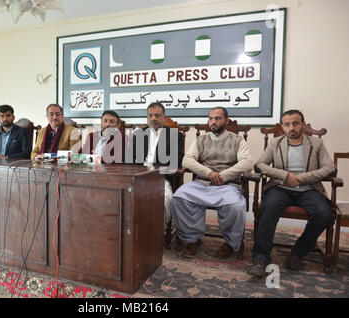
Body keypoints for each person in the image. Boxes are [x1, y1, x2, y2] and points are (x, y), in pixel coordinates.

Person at [247, 109, 336, 277]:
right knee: (269, 208)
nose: (291, 127)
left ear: (302, 124)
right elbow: (260, 164)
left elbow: (329, 167)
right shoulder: (275, 143)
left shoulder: (316, 144)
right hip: (281, 188)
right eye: (287, 124)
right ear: (282, 126)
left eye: (295, 123)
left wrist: (303, 178)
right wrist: (285, 175)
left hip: (308, 189)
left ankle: (298, 252)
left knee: (323, 213)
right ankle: (260, 259)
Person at [170, 107, 254, 259]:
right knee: (179, 198)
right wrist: (209, 173)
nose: (213, 122)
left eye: (217, 118)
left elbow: (248, 163)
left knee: (235, 206)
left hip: (227, 185)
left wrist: (222, 176)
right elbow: (187, 160)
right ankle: (192, 239)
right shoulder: (200, 140)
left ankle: (229, 243)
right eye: (211, 118)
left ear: (226, 121)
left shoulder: (237, 140)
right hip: (201, 183)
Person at [130, 102, 184, 231]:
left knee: (162, 199)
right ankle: (133, 231)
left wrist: (154, 172)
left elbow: (176, 162)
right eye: (150, 115)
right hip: (137, 178)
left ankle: (156, 233)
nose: (153, 118)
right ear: (147, 118)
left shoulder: (175, 136)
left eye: (157, 115)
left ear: (163, 117)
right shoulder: (138, 135)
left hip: (160, 178)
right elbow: (129, 161)